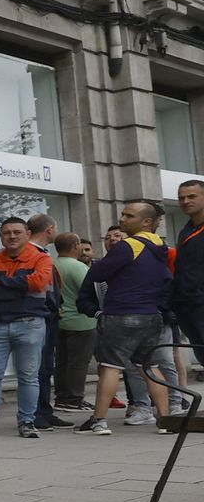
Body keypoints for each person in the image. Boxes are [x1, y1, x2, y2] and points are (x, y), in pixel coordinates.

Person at [76, 200, 173, 435]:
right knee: (149, 366)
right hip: (152, 315)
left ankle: (99, 421)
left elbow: (98, 272)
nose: (122, 219)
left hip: (122, 312)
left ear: (146, 222)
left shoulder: (129, 245)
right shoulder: (160, 246)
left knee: (110, 367)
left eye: (129, 216)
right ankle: (166, 420)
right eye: (123, 214)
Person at [0, 217, 55, 439]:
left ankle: (27, 422)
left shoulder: (41, 259)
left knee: (28, 376)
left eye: (17, 232)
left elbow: (38, 283)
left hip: (30, 324)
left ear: (27, 233)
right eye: (7, 233)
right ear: (1, 236)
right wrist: (20, 284)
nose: (12, 236)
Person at [23, 213, 71, 431]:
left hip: (49, 314)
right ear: (49, 229)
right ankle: (36, 412)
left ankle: (44, 409)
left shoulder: (41, 253)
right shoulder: (32, 254)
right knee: (39, 366)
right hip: (41, 315)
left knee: (45, 365)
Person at [52, 232, 97, 410]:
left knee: (62, 361)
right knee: (78, 363)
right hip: (82, 322)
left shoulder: (51, 264)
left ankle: (62, 396)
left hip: (60, 320)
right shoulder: (78, 267)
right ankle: (74, 398)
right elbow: (90, 292)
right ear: (75, 245)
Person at [169, 179, 204, 360]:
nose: (185, 201)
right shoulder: (186, 230)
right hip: (187, 305)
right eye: (181, 198)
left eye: (192, 196)